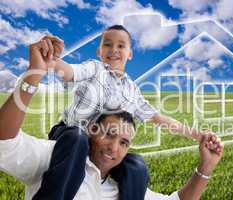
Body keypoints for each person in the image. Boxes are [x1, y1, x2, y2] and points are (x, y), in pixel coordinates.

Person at [22, 24, 222, 199]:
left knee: (136, 165)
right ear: (99, 51)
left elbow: (158, 118)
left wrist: (197, 135)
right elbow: (70, 71)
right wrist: (51, 60)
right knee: (78, 139)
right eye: (107, 44)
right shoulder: (94, 68)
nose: (114, 49)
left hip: (103, 145)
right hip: (70, 135)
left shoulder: (132, 90)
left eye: (121, 46)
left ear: (130, 53)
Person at [0, 74, 224, 200]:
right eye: (109, 135)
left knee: (137, 166)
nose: (113, 148)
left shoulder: (127, 184)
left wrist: (206, 166)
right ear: (92, 130)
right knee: (74, 137)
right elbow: (4, 142)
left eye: (124, 143)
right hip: (69, 137)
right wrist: (34, 75)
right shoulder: (57, 156)